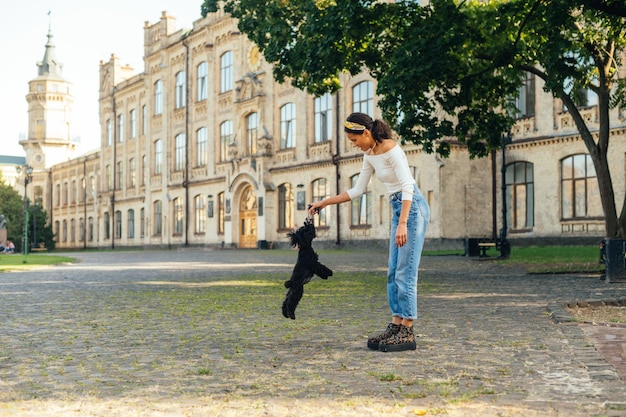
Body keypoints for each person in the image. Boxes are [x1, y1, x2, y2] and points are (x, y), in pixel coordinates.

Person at [308, 112, 430, 352]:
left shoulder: (392, 150)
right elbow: (357, 190)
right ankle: (396, 324)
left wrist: (404, 222)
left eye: (355, 140)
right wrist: (325, 202)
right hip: (399, 208)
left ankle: (407, 329)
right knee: (393, 270)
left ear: (366, 132)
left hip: (411, 207)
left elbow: (407, 185)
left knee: (406, 270)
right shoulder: (370, 154)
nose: (354, 145)